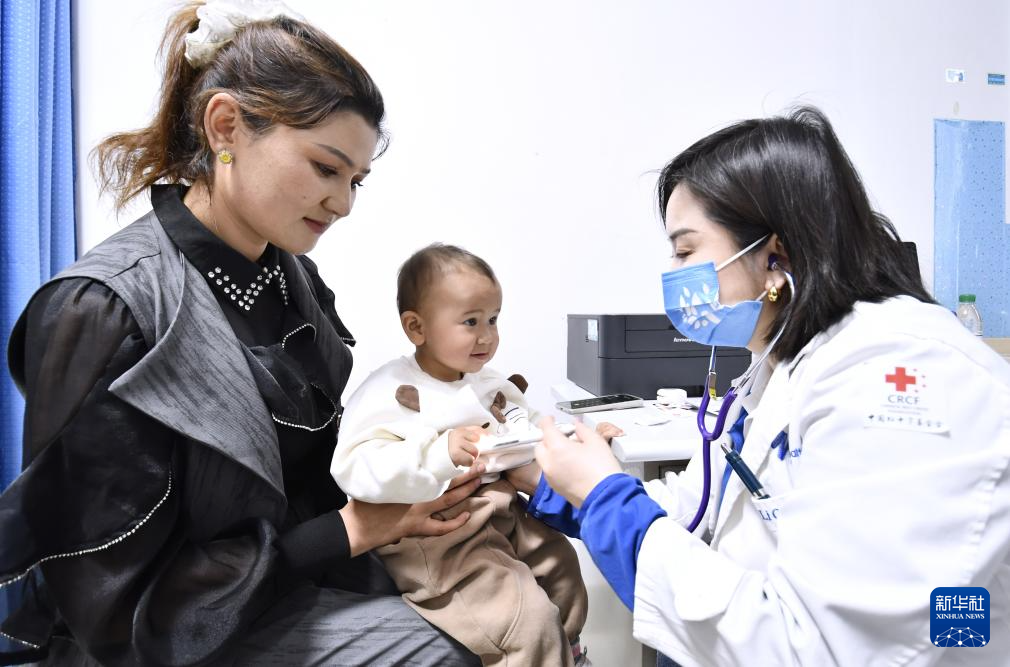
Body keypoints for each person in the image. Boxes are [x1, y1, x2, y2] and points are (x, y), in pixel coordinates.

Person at [0, 2, 485, 665]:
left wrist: (427, 470)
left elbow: (313, 476)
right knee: (450, 650)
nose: (343, 203)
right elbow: (116, 607)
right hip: (167, 639)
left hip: (291, 587)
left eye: (356, 180)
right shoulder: (105, 309)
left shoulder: (293, 279)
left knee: (512, 599)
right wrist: (350, 530)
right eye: (325, 168)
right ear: (225, 125)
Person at [506, 107, 1010, 666]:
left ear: (776, 257)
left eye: (685, 250)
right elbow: (700, 507)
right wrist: (557, 484)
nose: (674, 273)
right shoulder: (781, 366)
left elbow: (819, 648)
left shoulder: (902, 376)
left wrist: (604, 494)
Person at [331, 243, 591, 667]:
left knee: (560, 563)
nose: (487, 335)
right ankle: (536, 651)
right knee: (525, 619)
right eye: (471, 321)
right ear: (416, 327)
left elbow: (527, 428)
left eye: (493, 319)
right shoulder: (389, 390)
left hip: (501, 512)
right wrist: (438, 454)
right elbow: (356, 467)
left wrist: (575, 438)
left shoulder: (489, 383)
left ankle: (567, 653)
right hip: (438, 536)